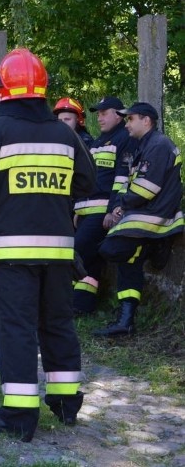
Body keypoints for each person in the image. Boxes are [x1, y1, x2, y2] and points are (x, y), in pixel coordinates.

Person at [0, 48, 96, 442]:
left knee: (15, 328)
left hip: (11, 251)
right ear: (43, 88)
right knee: (57, 323)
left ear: (2, 89)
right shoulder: (64, 133)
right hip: (58, 251)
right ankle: (67, 403)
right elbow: (87, 182)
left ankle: (19, 414)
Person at [93, 102, 183, 337]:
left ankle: (155, 243)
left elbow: (145, 189)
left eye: (131, 119)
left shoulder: (159, 145)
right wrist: (120, 206)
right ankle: (126, 320)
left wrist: (120, 207)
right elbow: (129, 184)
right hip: (142, 213)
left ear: (147, 121)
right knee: (128, 259)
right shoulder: (143, 146)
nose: (127, 123)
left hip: (153, 215)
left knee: (112, 249)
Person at [71, 96, 136, 315]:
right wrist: (78, 208)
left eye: (103, 113)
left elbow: (122, 178)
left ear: (118, 115)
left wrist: (113, 210)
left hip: (102, 212)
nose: (99, 117)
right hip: (87, 212)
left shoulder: (125, 139)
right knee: (91, 261)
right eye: (97, 113)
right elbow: (89, 179)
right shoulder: (99, 142)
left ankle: (68, 303)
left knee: (76, 251)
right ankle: (82, 305)